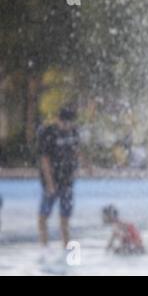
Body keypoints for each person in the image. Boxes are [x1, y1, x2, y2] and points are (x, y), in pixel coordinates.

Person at [37, 106, 80, 249]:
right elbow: (45, 159)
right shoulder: (49, 133)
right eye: (65, 122)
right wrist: (50, 184)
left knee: (65, 218)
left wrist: (84, 166)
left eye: (70, 123)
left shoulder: (73, 132)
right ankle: (44, 246)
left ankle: (66, 247)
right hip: (51, 181)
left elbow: (75, 150)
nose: (68, 126)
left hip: (67, 182)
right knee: (43, 216)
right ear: (59, 120)